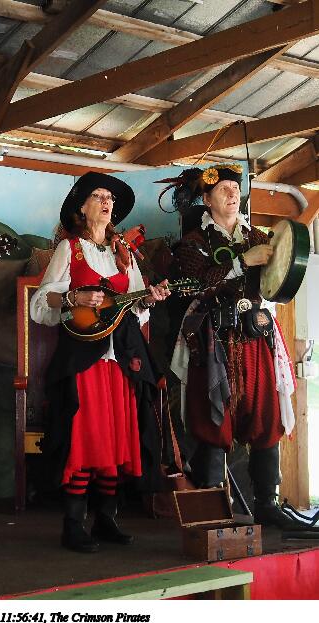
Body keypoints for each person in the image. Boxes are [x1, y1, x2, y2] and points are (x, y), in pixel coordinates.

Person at [31, 172, 169, 553]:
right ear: (82, 207)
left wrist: (148, 298)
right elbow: (41, 303)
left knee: (114, 438)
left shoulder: (123, 253)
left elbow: (136, 304)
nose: (107, 202)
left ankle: (106, 519)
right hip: (83, 360)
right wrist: (72, 298)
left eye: (110, 198)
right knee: (84, 439)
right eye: (98, 196)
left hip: (120, 359)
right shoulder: (70, 249)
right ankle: (73, 524)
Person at [167, 165, 296, 527]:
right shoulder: (193, 242)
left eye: (235, 189)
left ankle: (267, 504)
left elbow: (278, 282)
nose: (232, 194)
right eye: (223, 189)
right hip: (213, 339)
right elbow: (194, 286)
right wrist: (242, 263)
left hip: (254, 338)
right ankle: (211, 505)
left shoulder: (258, 236)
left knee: (265, 415)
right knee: (212, 417)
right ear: (207, 199)